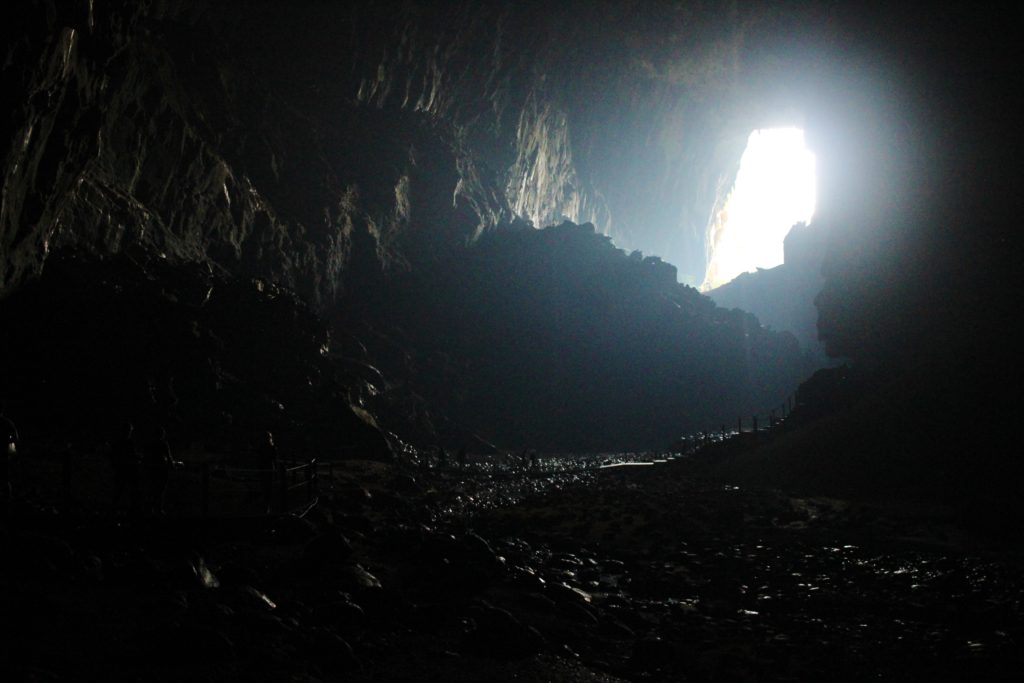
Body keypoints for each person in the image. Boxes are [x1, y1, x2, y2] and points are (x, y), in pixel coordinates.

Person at [143, 426, 175, 516]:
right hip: (161, 469)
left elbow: (146, 456)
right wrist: (172, 465)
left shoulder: (150, 444)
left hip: (152, 469)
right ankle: (158, 509)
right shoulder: (164, 444)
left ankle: (150, 508)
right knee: (160, 490)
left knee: (152, 489)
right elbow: (169, 457)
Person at [110, 422, 141, 516]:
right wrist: (139, 458)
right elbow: (133, 455)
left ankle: (115, 508)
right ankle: (132, 509)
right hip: (129, 469)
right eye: (130, 430)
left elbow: (112, 455)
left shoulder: (117, 442)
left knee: (119, 489)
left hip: (121, 468)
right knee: (132, 489)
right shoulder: (129, 442)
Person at [1, 401, 18, 511]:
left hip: (3, 456)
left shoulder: (7, 423)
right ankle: (7, 502)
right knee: (4, 479)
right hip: (3, 455)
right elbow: (16, 438)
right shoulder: (7, 423)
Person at [258, 431, 278, 513]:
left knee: (265, 485)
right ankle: (267, 504)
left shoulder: (263, 447)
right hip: (269, 468)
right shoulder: (272, 447)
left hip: (265, 467)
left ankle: (266, 504)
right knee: (268, 486)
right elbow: (274, 459)